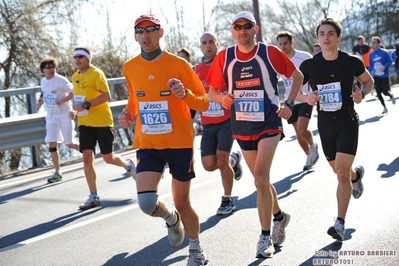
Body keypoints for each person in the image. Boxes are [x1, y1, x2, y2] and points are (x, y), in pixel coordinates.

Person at [207, 11, 303, 258]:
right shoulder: (224, 57)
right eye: (238, 27)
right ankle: (279, 217)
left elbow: (297, 76)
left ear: (255, 29)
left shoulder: (269, 53)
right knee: (262, 182)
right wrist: (222, 98)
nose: (243, 30)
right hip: (241, 125)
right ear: (233, 31)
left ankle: (264, 238)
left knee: (260, 178)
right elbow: (211, 92)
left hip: (269, 123)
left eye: (247, 26)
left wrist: (290, 103)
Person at [118, 14, 209, 265]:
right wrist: (129, 114)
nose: (145, 35)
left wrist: (185, 93)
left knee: (182, 201)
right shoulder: (129, 67)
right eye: (140, 31)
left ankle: (196, 248)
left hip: (179, 142)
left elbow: (203, 101)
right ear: (136, 36)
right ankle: (171, 219)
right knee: (147, 203)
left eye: (151, 30)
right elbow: (135, 100)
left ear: (161, 32)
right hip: (148, 144)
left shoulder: (179, 64)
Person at [297, 18, 374, 241]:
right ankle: (355, 176)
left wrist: (362, 93)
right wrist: (307, 97)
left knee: (340, 173)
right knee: (340, 171)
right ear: (317, 38)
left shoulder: (351, 61)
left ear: (338, 37)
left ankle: (339, 223)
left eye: (331, 33)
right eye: (322, 34)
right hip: (325, 124)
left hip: (347, 120)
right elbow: (295, 93)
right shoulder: (310, 66)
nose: (326, 37)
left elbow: (368, 82)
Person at [71, 46, 136, 211]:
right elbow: (79, 98)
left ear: (88, 58)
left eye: (80, 56)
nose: (77, 60)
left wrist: (86, 105)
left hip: (102, 122)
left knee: (108, 158)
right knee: (87, 157)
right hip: (85, 123)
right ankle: (94, 196)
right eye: (75, 57)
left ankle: (128, 166)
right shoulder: (75, 76)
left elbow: (106, 96)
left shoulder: (96, 73)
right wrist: (74, 110)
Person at [194, 32, 243, 215]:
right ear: (200, 46)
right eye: (204, 43)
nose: (208, 46)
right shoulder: (196, 69)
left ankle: (227, 199)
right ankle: (234, 160)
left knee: (221, 159)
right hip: (207, 123)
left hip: (226, 121)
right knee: (208, 165)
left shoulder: (226, 64)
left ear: (217, 44)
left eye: (211, 42)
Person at [276, 31, 319, 171]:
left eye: (286, 43)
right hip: (290, 101)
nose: (283, 47)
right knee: (299, 134)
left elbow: (314, 76)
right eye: (280, 44)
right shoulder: (278, 61)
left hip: (305, 97)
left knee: (302, 128)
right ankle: (309, 155)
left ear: (291, 42)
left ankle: (313, 145)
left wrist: (315, 93)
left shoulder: (304, 57)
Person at [37, 57, 80, 183]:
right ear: (43, 70)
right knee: (51, 142)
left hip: (64, 115)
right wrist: (40, 101)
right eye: (48, 67)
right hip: (51, 116)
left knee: (69, 144)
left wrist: (62, 100)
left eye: (53, 67)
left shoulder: (61, 80)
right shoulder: (43, 81)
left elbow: (74, 92)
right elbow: (45, 93)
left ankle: (88, 151)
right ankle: (57, 172)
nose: (51, 70)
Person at [369, 36, 395, 114]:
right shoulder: (371, 54)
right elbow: (371, 65)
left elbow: (390, 61)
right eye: (372, 43)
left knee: (384, 92)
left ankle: (390, 95)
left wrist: (384, 66)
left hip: (384, 76)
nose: (373, 44)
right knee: (378, 92)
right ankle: (384, 107)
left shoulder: (384, 52)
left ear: (378, 43)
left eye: (374, 42)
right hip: (376, 76)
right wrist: (368, 72)